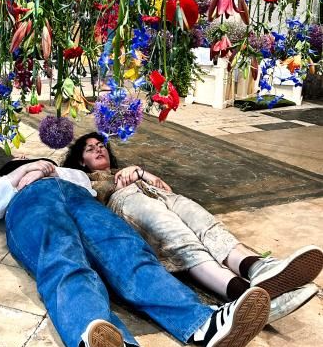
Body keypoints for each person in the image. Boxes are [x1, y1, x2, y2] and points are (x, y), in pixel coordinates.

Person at [0, 157, 272, 347]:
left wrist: (45, 168)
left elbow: (83, 184)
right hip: (29, 204)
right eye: (21, 157)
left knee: (128, 251)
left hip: (79, 200)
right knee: (62, 258)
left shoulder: (68, 172)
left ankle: (206, 326)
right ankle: (102, 338)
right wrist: (32, 169)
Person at [63, 132, 322, 324]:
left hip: (153, 194)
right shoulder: (82, 180)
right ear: (81, 161)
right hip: (124, 201)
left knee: (205, 224)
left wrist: (140, 172)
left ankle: (258, 267)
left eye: (101, 146)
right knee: (180, 237)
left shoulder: (128, 171)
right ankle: (249, 298)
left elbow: (166, 189)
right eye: (90, 149)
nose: (98, 150)